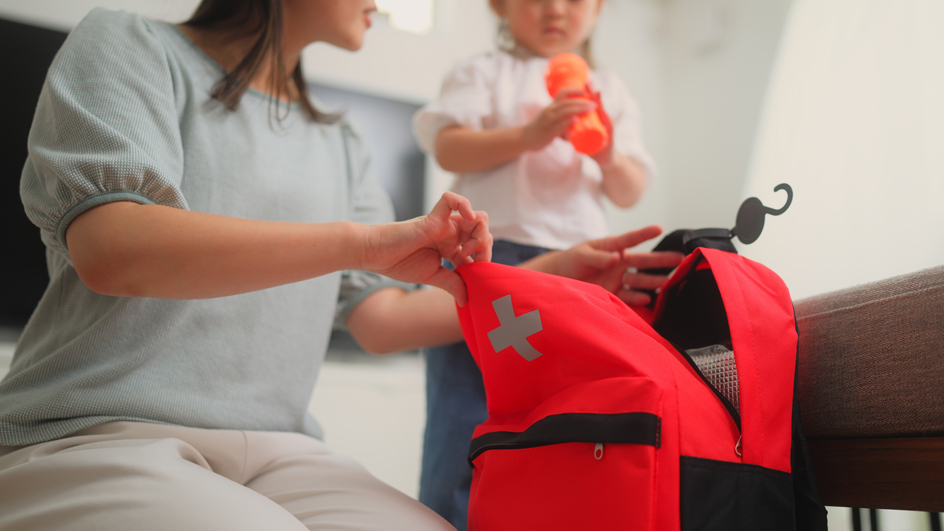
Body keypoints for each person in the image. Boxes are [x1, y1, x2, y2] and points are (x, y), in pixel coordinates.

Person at [0, 1, 681, 530]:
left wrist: (555, 274)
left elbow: (380, 320)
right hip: (94, 430)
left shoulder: (342, 143)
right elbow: (115, 249)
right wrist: (361, 243)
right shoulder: (127, 47)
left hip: (281, 451)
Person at [411, 0, 658, 526]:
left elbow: (630, 188)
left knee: (568, 410)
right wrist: (529, 135)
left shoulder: (608, 91)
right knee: (465, 409)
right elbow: (449, 148)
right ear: (498, 5)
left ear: (598, 8)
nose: (554, 9)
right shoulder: (485, 71)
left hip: (580, 270)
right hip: (491, 261)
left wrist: (608, 152)